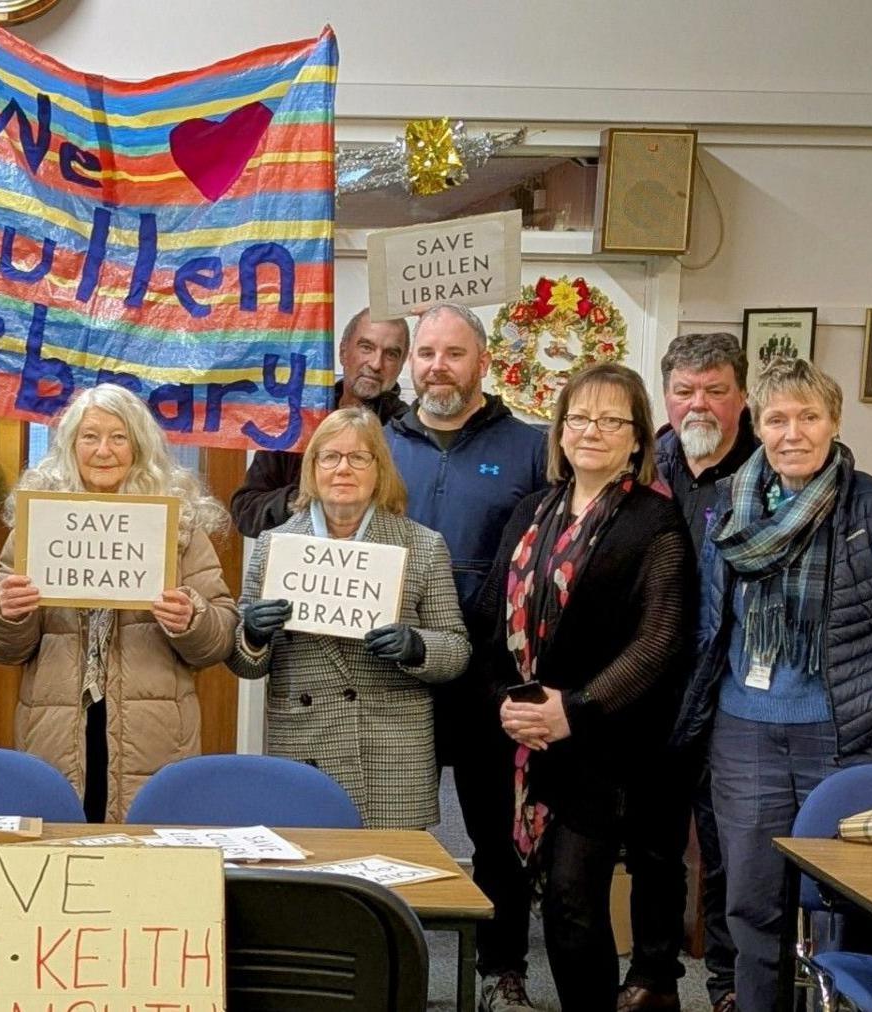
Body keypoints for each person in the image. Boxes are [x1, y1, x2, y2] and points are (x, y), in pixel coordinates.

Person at [677, 358, 872, 1012]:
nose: (794, 432)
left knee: (848, 908)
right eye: (777, 418)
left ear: (835, 421)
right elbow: (712, 623)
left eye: (810, 416)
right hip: (744, 737)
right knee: (751, 902)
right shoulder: (727, 511)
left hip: (846, 736)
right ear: (756, 425)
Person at [474, 362, 694, 1011]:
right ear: (559, 431)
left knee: (573, 900)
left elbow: (660, 641)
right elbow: (489, 618)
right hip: (520, 742)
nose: (591, 430)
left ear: (637, 438)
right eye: (578, 417)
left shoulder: (655, 523)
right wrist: (504, 705)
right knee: (538, 894)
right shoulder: (529, 513)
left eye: (610, 419)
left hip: (604, 747)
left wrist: (573, 710)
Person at [386, 302, 549, 1012]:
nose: (437, 367)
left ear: (484, 361)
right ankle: (388, 964)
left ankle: (502, 969)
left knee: (494, 834)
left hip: (489, 677)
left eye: (454, 353)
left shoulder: (532, 448)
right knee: (392, 830)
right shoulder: (379, 442)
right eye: (426, 353)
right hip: (393, 670)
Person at [0, 384, 239, 823]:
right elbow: (2, 648)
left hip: (153, 737)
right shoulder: (38, 523)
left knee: (142, 866)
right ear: (70, 447)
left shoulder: (179, 526)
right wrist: (7, 614)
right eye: (89, 437)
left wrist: (192, 619)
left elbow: (220, 640)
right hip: (55, 731)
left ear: (139, 448)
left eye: (118, 437)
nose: (104, 450)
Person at [228, 408, 470, 827]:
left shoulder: (423, 546)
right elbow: (247, 663)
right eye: (330, 457)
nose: (343, 469)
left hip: (390, 755)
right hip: (304, 743)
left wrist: (417, 647)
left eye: (359, 458)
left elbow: (457, 649)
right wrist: (251, 634)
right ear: (312, 468)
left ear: (380, 469)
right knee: (309, 880)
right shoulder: (274, 546)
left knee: (389, 885)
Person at [625, 332, 757, 1012]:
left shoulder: (773, 467)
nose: (698, 404)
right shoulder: (646, 463)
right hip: (657, 690)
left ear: (741, 395)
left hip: (738, 696)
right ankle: (653, 976)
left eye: (715, 390)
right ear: (666, 396)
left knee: (731, 848)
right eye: (683, 391)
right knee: (653, 845)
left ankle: (731, 983)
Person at [231, 307, 410, 537]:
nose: (376, 363)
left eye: (391, 354)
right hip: (299, 567)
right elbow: (245, 510)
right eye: (366, 347)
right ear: (343, 351)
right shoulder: (297, 418)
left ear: (402, 363)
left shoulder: (408, 431)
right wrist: (305, 499)